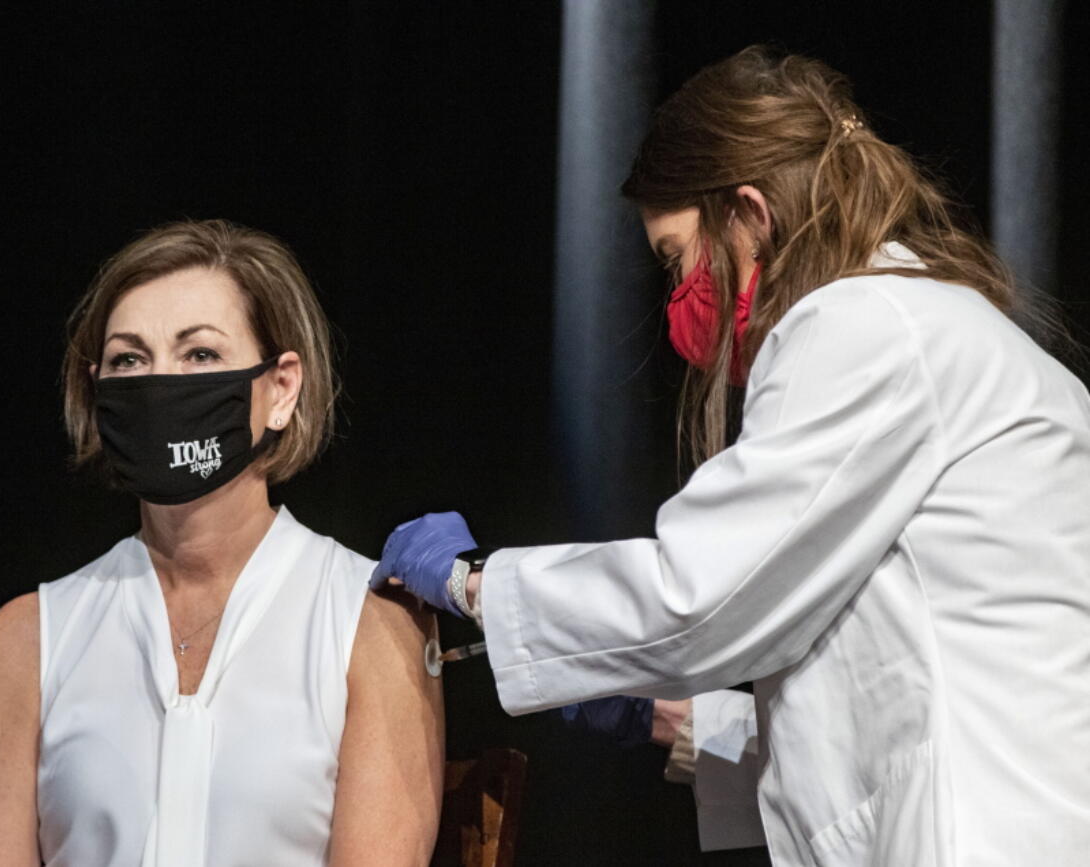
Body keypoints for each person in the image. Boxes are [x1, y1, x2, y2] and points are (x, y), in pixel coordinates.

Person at [372, 46, 1090, 866]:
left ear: (750, 212)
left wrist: (476, 584)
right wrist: (667, 715)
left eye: (675, 258)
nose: (678, 298)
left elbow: (700, 597)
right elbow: (881, 695)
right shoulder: (934, 325)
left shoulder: (862, 326)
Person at [0, 219, 445, 866]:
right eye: (130, 359)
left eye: (200, 355)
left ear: (280, 388)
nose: (160, 383)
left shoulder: (372, 621)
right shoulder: (26, 640)